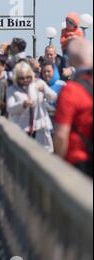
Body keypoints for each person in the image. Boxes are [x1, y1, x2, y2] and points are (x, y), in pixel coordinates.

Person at [54, 38, 93, 177]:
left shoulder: (71, 90)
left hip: (79, 163)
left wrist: (58, 165)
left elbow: (61, 134)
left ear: (71, 62)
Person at [7, 62, 57, 152]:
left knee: (44, 157)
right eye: (22, 78)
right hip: (22, 128)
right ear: (16, 78)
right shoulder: (12, 89)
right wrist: (23, 104)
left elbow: (53, 97)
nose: (25, 80)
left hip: (41, 127)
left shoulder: (38, 83)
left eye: (28, 77)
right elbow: (10, 108)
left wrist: (45, 90)